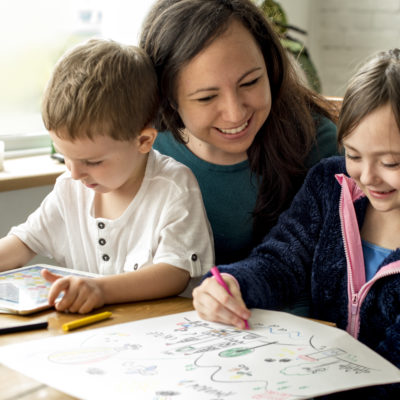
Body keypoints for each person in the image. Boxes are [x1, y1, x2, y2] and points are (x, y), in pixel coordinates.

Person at [193, 48, 400, 398]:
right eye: (353, 155)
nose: (367, 176)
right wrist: (232, 283)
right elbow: (281, 260)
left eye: (391, 162)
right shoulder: (329, 184)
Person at [0, 39, 214, 314]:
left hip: (161, 334)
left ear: (144, 141)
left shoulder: (174, 186)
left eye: (93, 161)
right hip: (94, 335)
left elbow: (174, 273)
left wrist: (100, 289)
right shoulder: (69, 188)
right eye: (66, 156)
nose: (74, 173)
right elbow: (23, 243)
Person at [140, 0, 339, 269]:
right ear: (169, 99)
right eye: (207, 97)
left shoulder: (315, 143)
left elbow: (324, 271)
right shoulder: (142, 144)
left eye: (250, 82)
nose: (235, 114)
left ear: (270, 67)